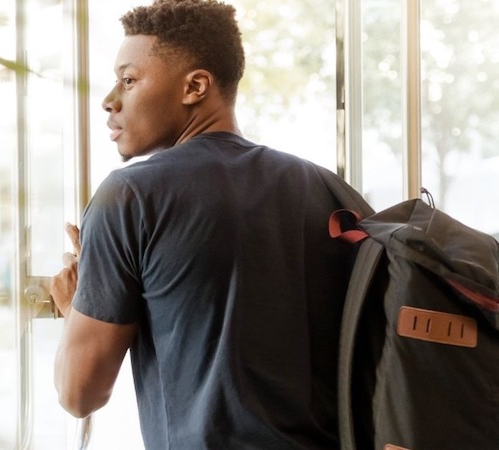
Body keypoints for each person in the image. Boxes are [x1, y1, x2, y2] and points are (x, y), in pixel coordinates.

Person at [49, 0, 356, 448]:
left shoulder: (130, 196)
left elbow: (79, 393)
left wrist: (76, 307)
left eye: (128, 80)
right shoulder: (327, 189)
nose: (109, 100)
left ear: (195, 86)